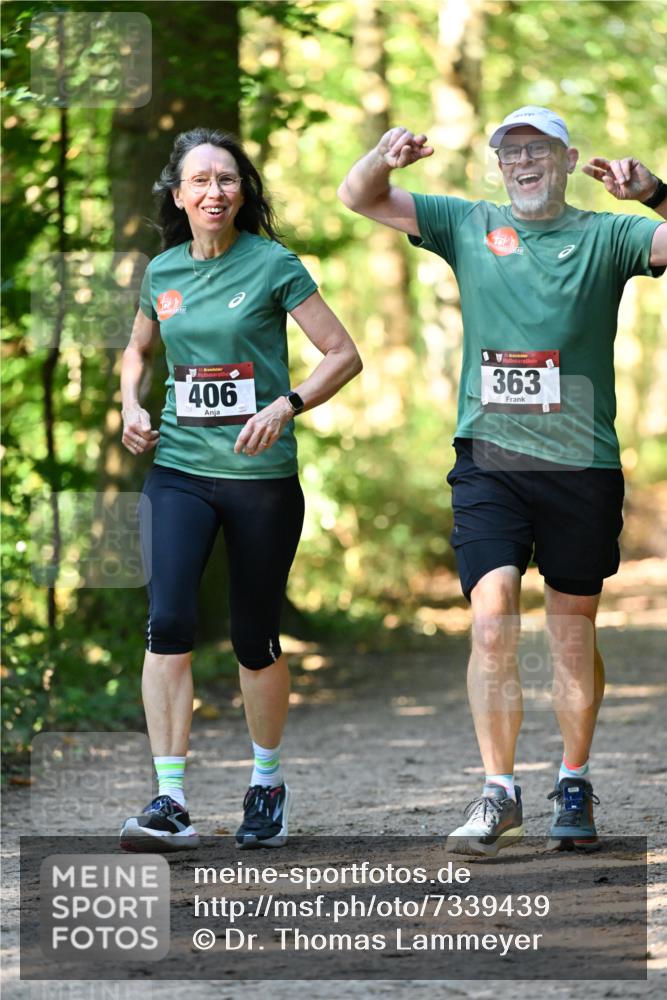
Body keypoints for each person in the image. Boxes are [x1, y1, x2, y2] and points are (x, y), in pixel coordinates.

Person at [338, 106, 666, 856]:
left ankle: (573, 780)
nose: (522, 162)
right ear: (495, 165)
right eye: (508, 150)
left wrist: (654, 194)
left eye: (538, 151)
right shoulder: (466, 224)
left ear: (567, 159)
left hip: (580, 465)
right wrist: (382, 157)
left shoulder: (606, 235)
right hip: (489, 459)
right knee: (490, 621)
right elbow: (357, 196)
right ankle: (497, 791)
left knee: (569, 631)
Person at [119, 127, 362, 851]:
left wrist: (286, 404)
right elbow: (136, 350)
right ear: (178, 194)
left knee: (254, 638)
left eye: (227, 179)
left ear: (243, 191)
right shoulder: (162, 272)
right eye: (199, 181)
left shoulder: (273, 264)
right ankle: (170, 800)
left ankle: (265, 783)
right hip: (181, 473)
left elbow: (342, 354)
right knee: (167, 624)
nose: (214, 192)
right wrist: (131, 404)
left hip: (259, 479)